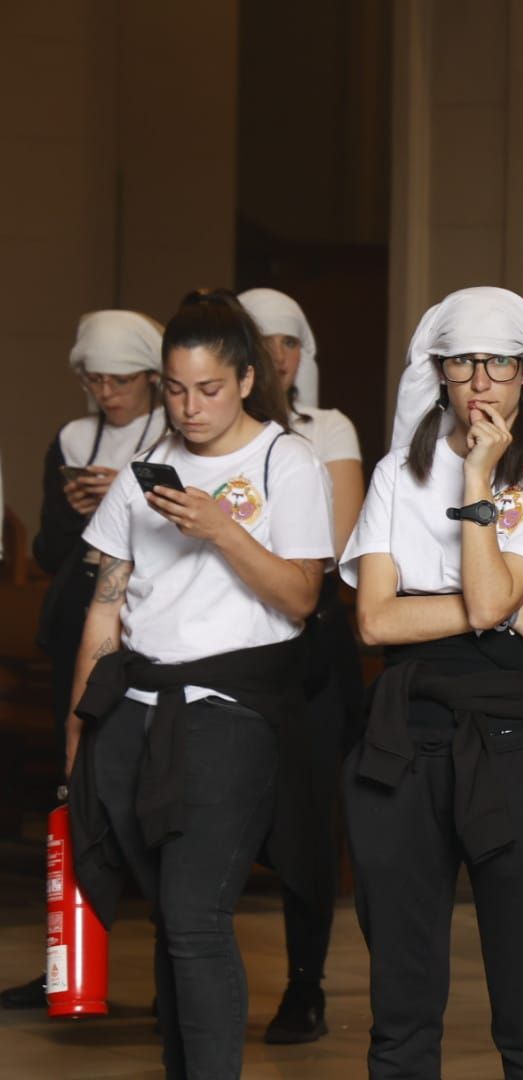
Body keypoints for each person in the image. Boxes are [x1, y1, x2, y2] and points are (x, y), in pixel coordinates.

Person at [65, 289, 334, 1077]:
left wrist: (221, 529)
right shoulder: (142, 477)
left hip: (231, 713)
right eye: (176, 389)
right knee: (169, 923)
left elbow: (301, 597)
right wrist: (79, 736)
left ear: (247, 379)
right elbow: (103, 611)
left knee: (195, 918)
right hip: (135, 713)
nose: (189, 407)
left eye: (208, 389)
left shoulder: (288, 462)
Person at [340, 286, 523, 1079]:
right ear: (439, 372)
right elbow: (376, 624)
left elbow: (475, 599)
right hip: (402, 739)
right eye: (462, 361)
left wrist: (479, 483)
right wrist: (515, 613)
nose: (481, 378)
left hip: (514, 743)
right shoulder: (394, 473)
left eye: (500, 362)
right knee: (402, 1004)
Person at [1, 311, 166, 1013]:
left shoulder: (177, 430)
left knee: (149, 801)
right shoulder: (72, 438)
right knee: (74, 796)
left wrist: (125, 500)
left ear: (153, 378)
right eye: (94, 380)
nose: (107, 393)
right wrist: (78, 510)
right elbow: (43, 551)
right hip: (80, 627)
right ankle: (65, 963)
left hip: (150, 631)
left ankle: (172, 975)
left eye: (121, 380)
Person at [239, 287, 366, 1043]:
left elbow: (332, 551)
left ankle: (304, 985)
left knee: (308, 822)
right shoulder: (217, 436)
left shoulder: (330, 428)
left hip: (312, 650)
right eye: (263, 340)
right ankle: (190, 971)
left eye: (290, 342)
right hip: (234, 647)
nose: (279, 354)